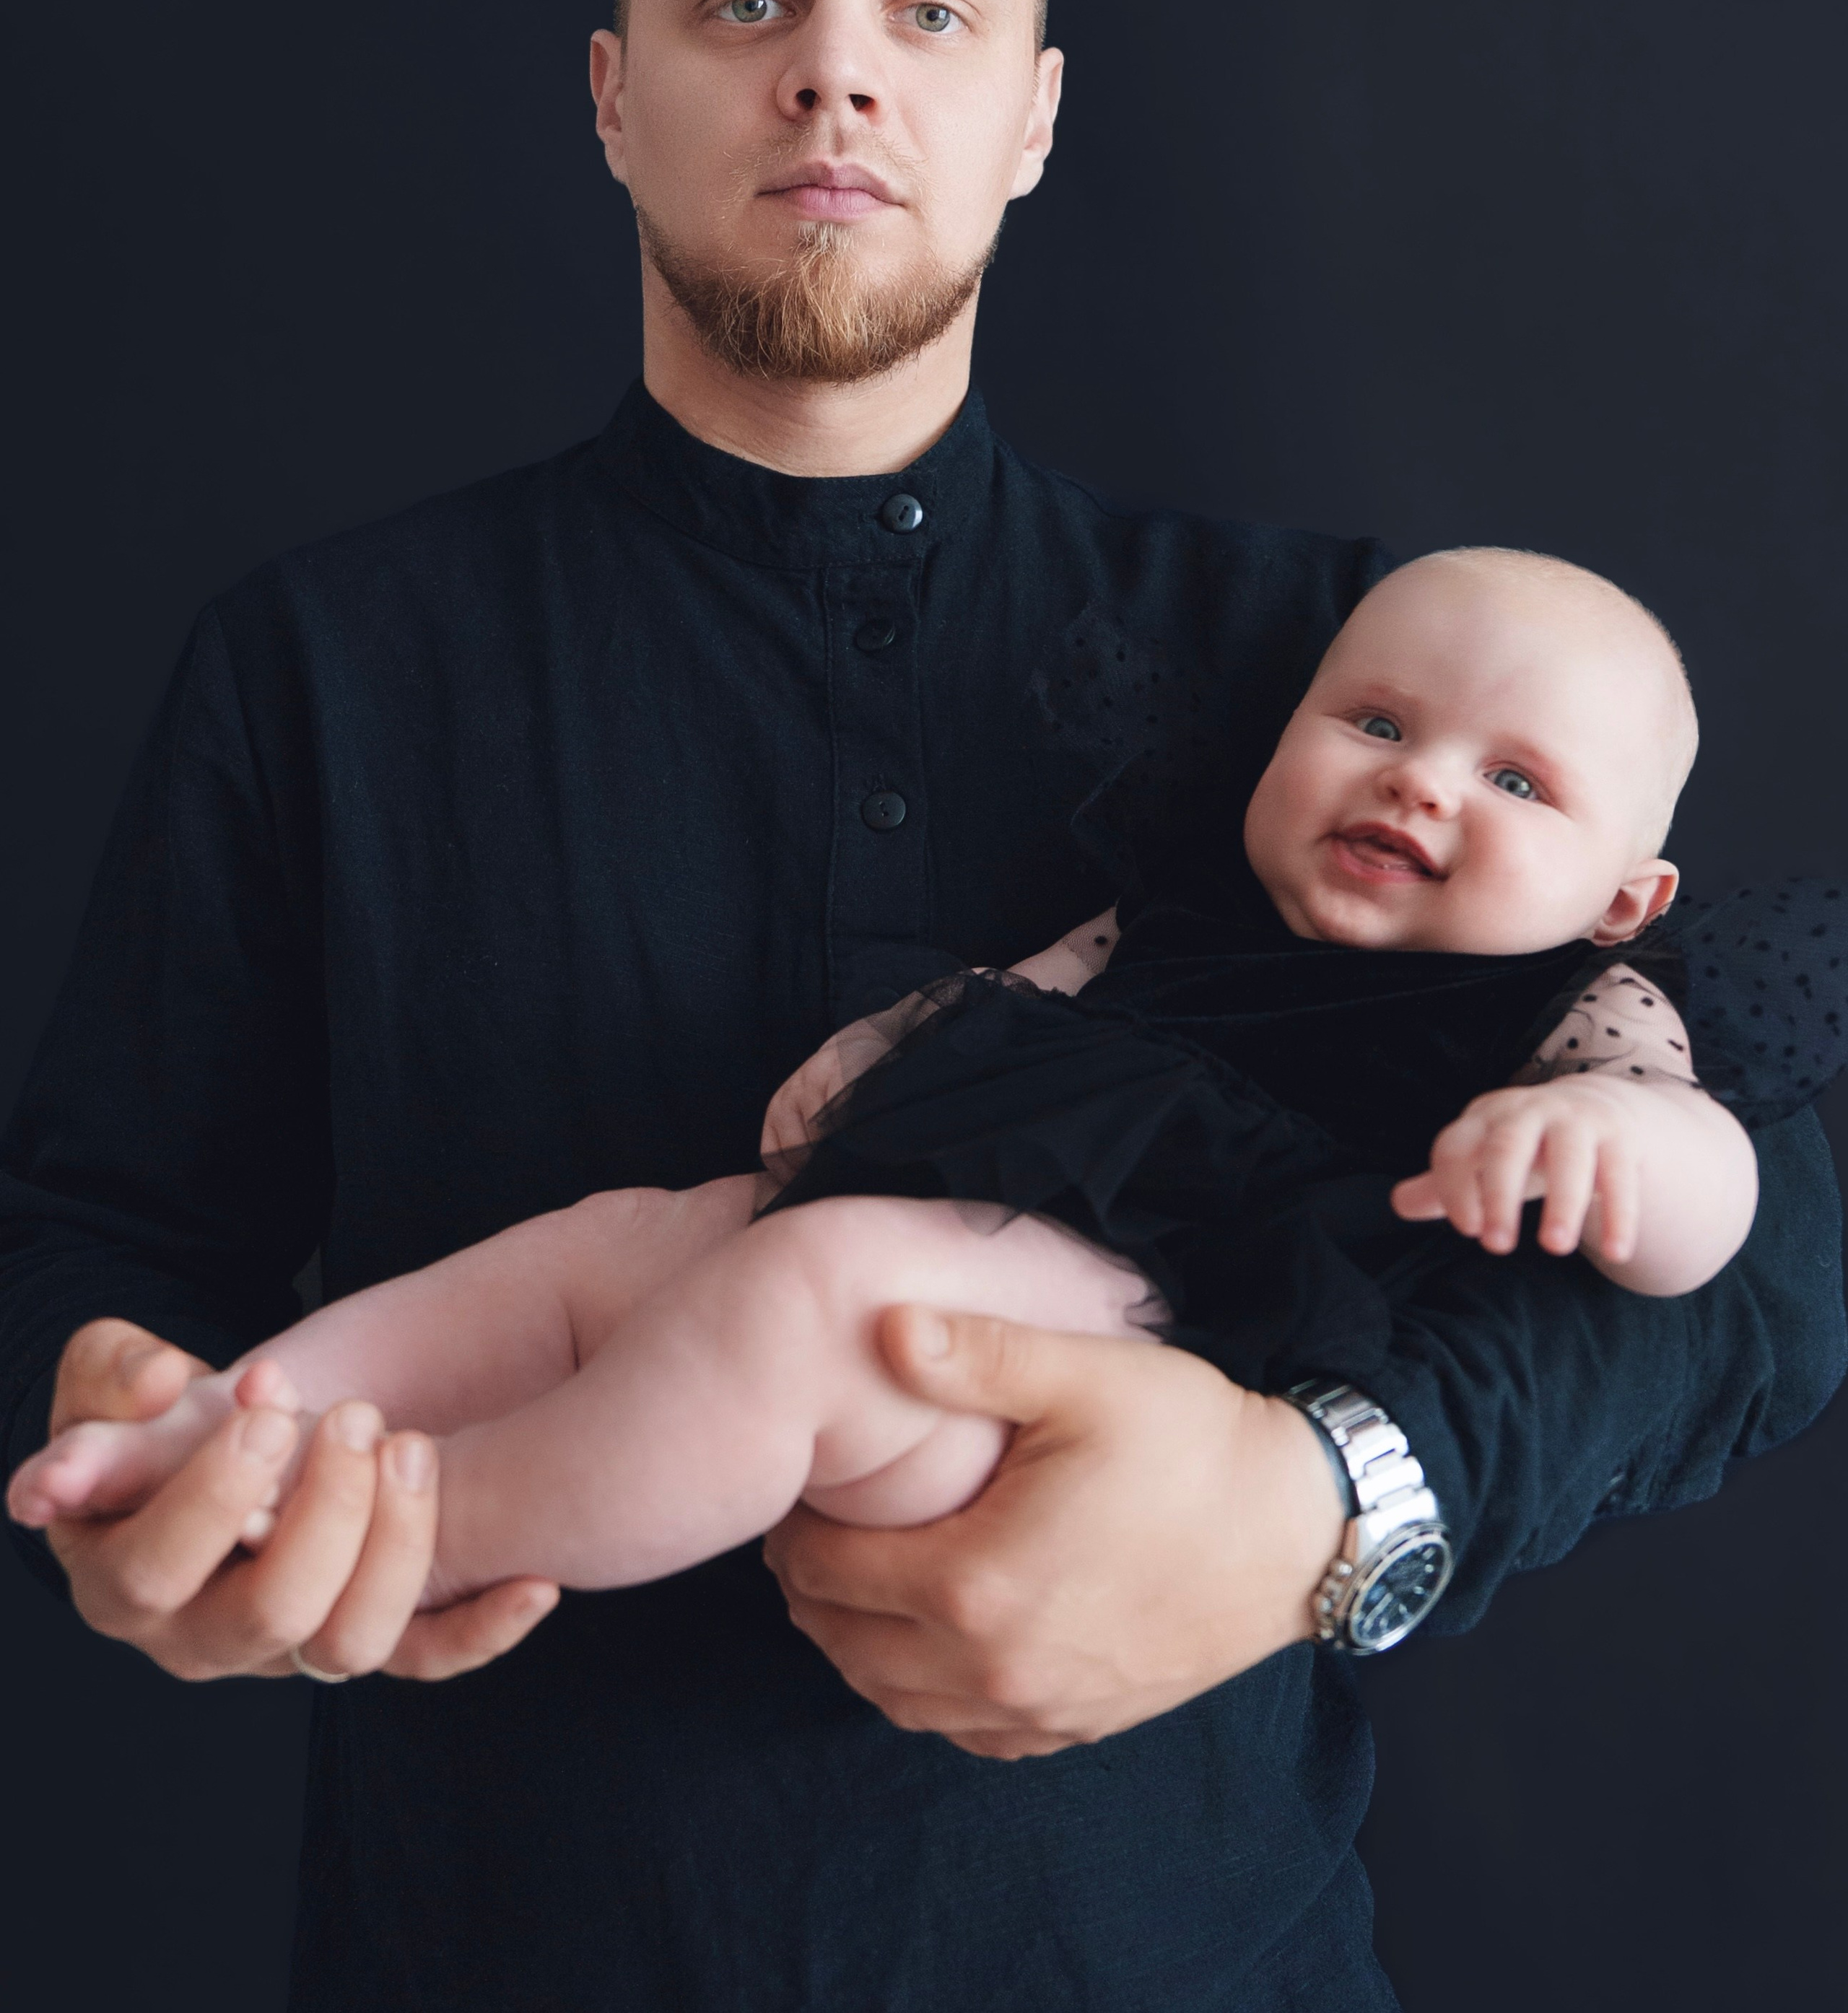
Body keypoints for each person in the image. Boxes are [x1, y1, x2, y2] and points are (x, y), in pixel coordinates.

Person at [0, 0, 1839, 2012]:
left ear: (1034, 113)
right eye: (746, 0)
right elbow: (91, 1238)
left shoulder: (1344, 680)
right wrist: (129, 1481)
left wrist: (1329, 1503)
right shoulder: (324, 666)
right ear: (609, 93)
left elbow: (1772, 1245)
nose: (834, 80)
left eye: (931, 10)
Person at [9, 549, 1784, 1599]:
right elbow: (1013, 999)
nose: (1419, 783)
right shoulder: (1179, 905)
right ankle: (238, 1425)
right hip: (923, 1242)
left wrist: (1612, 1139)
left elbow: (1718, 1219)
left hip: (1105, 1361)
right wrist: (864, 1063)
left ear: (1627, 894)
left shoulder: (1577, 1013)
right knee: (626, 1235)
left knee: (811, 1281)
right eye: (1376, 724)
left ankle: (426, 1526)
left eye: (1516, 783)